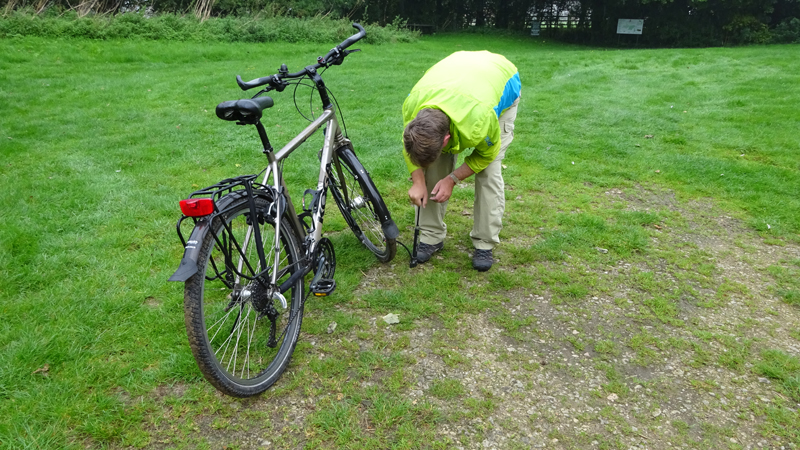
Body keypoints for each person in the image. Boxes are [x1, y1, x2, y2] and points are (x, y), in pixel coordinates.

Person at [402, 51, 521, 272]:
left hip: (500, 81)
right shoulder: (413, 109)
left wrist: (452, 179)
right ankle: (431, 236)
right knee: (432, 165)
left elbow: (486, 155)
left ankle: (484, 241)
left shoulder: (481, 121)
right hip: (456, 76)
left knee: (488, 173)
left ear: (446, 139)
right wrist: (418, 181)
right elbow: (410, 148)